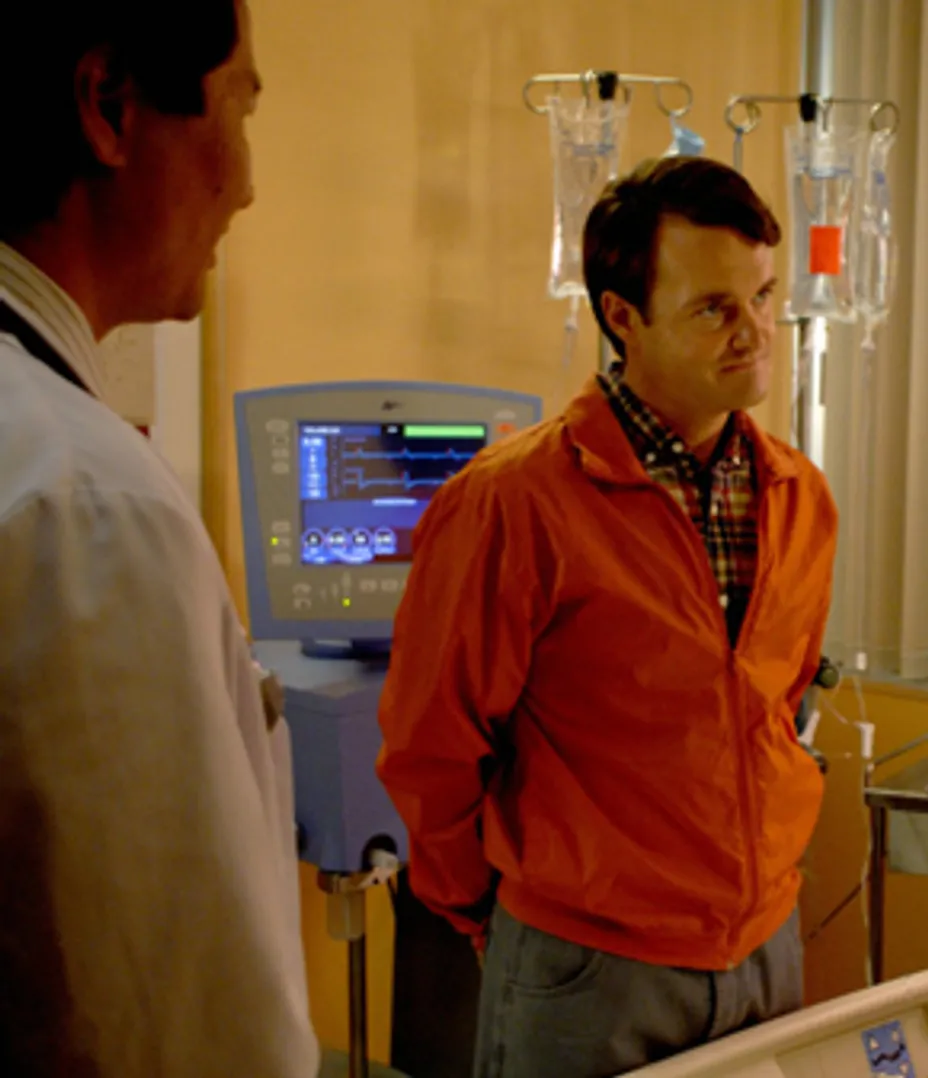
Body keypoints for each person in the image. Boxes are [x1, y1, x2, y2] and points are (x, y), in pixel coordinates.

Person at [377, 156, 839, 1077]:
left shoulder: (799, 497)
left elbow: (775, 707)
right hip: (588, 965)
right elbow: (432, 745)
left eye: (762, 297)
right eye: (714, 309)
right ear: (622, 318)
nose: (754, 333)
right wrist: (495, 915)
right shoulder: (515, 505)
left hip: (762, 946)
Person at [0, 2, 317, 1076]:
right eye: (238, 110)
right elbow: (179, 1032)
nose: (248, 184)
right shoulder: (84, 505)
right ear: (109, 108)